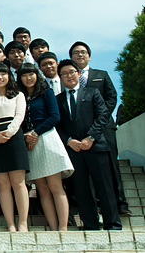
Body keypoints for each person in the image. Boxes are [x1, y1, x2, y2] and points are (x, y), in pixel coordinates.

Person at [55, 59, 121, 231]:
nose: (68, 76)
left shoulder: (92, 93)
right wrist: (69, 140)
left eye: (71, 72)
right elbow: (57, 125)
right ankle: (90, 224)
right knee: (82, 189)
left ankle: (112, 223)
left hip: (96, 147)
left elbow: (102, 116)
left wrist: (91, 137)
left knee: (105, 188)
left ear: (78, 74)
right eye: (64, 74)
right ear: (60, 77)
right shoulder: (58, 99)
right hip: (74, 150)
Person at [69, 41, 129, 215]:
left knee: (111, 165)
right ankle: (96, 204)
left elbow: (111, 97)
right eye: (76, 53)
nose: (80, 55)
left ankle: (120, 203)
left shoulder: (101, 74)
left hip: (104, 127)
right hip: (81, 131)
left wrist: (99, 118)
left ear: (89, 55)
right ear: (71, 57)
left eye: (83, 52)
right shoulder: (70, 78)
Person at [16, 63, 73, 231]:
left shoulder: (46, 93)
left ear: (37, 75)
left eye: (31, 74)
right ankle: (54, 227)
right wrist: (28, 135)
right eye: (24, 75)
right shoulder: (20, 97)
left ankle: (63, 227)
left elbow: (55, 117)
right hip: (30, 144)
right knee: (42, 188)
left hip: (47, 138)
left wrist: (35, 133)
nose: (28, 78)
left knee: (55, 186)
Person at [0, 63, 30, 232]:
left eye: (3, 74)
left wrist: (8, 133)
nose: (0, 77)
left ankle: (23, 223)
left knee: (18, 182)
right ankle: (10, 223)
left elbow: (19, 116)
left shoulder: (18, 95)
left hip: (14, 137)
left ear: (9, 76)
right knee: (2, 184)